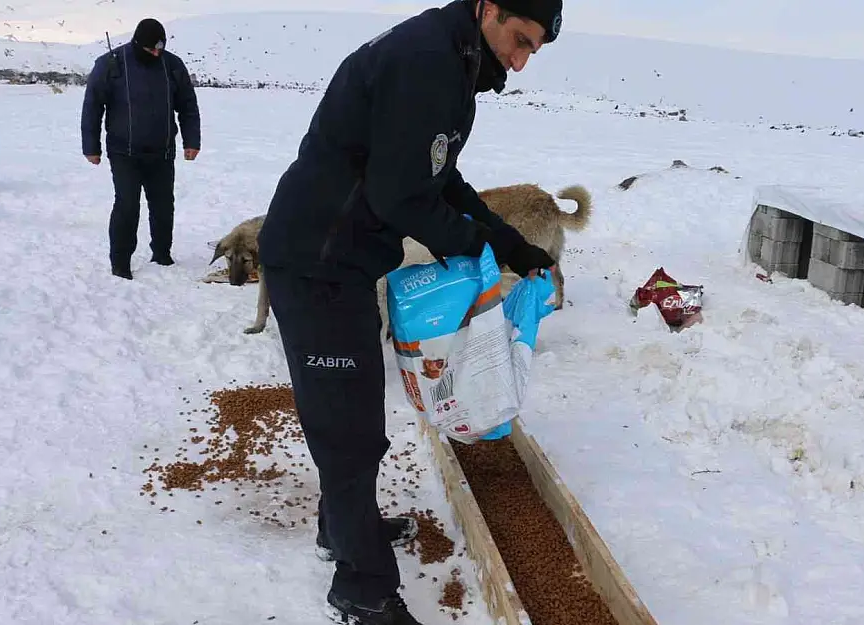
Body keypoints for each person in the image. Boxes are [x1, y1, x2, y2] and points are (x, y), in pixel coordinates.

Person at [256, 0, 562, 622]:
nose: (522, 60)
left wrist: (505, 239)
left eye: (534, 50)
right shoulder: (427, 61)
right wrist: (476, 249)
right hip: (317, 259)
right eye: (521, 39)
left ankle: (341, 529)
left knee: (352, 410)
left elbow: (438, 177)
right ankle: (361, 590)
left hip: (342, 259)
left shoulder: (454, 59)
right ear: (489, 7)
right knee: (349, 429)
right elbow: (399, 196)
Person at [80, 18, 201, 280]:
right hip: (124, 152)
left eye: (160, 48)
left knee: (163, 205)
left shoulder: (172, 65)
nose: (156, 54)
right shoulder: (111, 63)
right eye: (151, 49)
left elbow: (188, 105)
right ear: (137, 43)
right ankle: (120, 262)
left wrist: (192, 141)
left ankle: (162, 253)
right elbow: (92, 106)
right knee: (127, 206)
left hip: (162, 150)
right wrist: (91, 146)